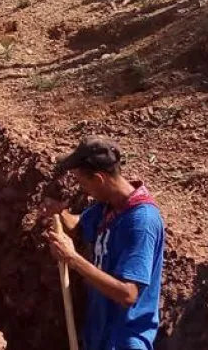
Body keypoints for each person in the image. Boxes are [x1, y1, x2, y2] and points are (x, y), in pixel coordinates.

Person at [46, 136, 165, 350]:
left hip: (123, 341)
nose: (84, 190)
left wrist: (72, 259)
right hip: (100, 332)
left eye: (84, 183)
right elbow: (78, 224)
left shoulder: (141, 222)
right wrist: (59, 212)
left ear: (99, 179)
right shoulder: (109, 205)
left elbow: (128, 294)